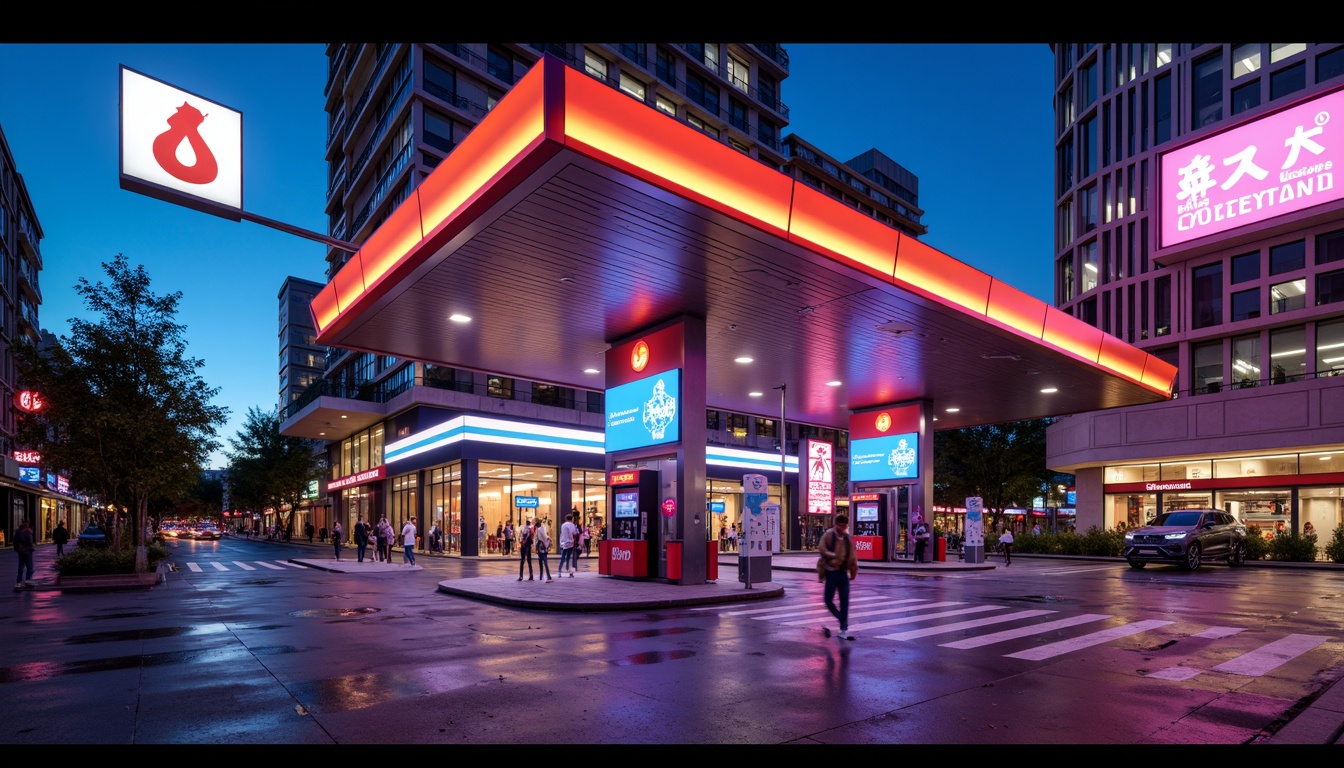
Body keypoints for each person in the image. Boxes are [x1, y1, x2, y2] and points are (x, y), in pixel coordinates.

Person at [817, 514, 857, 640]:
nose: (844, 528)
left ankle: (843, 629)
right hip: (831, 572)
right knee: (828, 600)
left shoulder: (846, 538)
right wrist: (832, 555)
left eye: (845, 525)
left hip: (843, 573)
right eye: (842, 525)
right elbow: (822, 549)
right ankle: (841, 619)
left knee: (844, 602)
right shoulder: (829, 535)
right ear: (836, 525)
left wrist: (853, 571)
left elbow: (852, 556)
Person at [535, 517, 553, 582]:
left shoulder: (539, 530)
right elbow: (545, 537)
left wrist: (536, 547)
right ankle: (545, 575)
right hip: (544, 547)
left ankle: (544, 576)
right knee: (544, 562)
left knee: (542, 562)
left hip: (541, 547)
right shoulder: (543, 528)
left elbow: (539, 539)